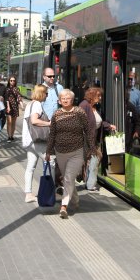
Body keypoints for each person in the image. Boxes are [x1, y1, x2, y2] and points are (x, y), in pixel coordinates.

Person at [45, 89, 91, 219]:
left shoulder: (79, 112)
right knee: (67, 179)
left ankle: (64, 206)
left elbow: (88, 130)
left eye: (68, 98)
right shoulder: (57, 114)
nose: (65, 100)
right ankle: (75, 200)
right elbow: (52, 134)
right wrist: (49, 151)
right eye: (63, 98)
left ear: (72, 100)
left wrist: (91, 148)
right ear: (59, 100)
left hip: (76, 151)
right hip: (60, 152)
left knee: (68, 178)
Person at [79, 87, 116, 191]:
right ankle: (88, 183)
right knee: (88, 161)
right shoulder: (84, 105)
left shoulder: (95, 107)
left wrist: (109, 126)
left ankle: (89, 183)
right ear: (92, 95)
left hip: (94, 139)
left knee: (95, 159)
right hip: (85, 140)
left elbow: (98, 122)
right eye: (98, 95)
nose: (100, 98)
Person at [22, 84, 51, 203]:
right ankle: (50, 191)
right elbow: (34, 121)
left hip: (29, 140)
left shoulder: (29, 104)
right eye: (46, 93)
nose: (47, 96)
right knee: (51, 161)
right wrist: (49, 124)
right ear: (42, 93)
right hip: (37, 140)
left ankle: (28, 194)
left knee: (30, 167)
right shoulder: (37, 104)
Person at [4, 75, 23, 142]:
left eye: (14, 81)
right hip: (8, 107)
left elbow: (19, 96)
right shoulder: (7, 89)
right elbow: (6, 99)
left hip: (15, 107)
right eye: (11, 80)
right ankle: (9, 136)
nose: (12, 82)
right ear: (9, 81)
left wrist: (21, 105)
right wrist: (8, 106)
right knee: (9, 122)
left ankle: (11, 136)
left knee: (13, 122)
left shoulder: (17, 89)